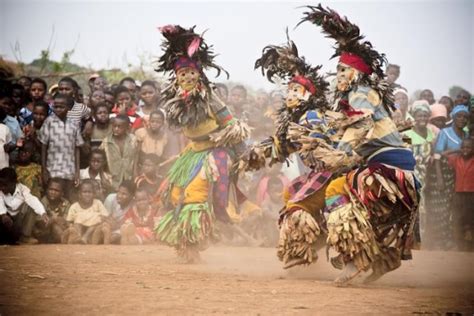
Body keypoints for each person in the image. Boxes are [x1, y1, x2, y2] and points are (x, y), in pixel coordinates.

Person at [302, 5, 420, 284]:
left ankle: (353, 259)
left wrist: (336, 155)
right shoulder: (355, 97)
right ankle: (383, 257)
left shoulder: (361, 93)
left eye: (344, 70)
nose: (339, 75)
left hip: (386, 166)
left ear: (356, 74)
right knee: (372, 214)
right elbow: (352, 130)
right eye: (337, 70)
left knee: (335, 191)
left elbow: (359, 127)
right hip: (393, 164)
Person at [154, 25, 249, 263]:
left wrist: (242, 156)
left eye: (191, 73)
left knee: (195, 195)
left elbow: (233, 127)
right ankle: (184, 245)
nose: (187, 78)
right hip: (192, 154)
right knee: (176, 194)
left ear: (199, 75)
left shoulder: (210, 98)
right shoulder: (176, 102)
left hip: (213, 154)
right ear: (176, 78)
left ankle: (195, 245)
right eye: (182, 75)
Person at [242, 34, 334, 268]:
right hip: (316, 173)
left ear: (309, 96)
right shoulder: (294, 121)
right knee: (289, 194)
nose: (291, 95)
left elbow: (321, 139)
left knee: (296, 208)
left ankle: (308, 248)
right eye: (290, 91)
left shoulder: (312, 116)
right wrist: (258, 152)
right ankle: (309, 246)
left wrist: (313, 140)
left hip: (329, 172)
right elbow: (279, 146)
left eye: (298, 91)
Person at [426, 105, 470, 249]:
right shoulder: (445, 132)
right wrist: (439, 177)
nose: (462, 119)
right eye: (459, 116)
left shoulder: (466, 135)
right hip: (444, 172)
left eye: (465, 117)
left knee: (454, 208)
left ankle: (452, 240)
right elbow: (437, 156)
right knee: (441, 207)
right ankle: (438, 241)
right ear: (453, 117)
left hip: (460, 173)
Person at [39, 93, 84, 199]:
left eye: (61, 107)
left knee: (68, 196)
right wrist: (44, 170)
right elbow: (43, 146)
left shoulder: (74, 123)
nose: (58, 109)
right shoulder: (49, 121)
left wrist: (77, 172)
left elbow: (77, 148)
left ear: (68, 108)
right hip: (52, 169)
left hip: (69, 169)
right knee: (52, 196)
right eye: (56, 106)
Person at [403, 102, 435, 247]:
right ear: (414, 116)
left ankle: (419, 240)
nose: (422, 118)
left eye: (425, 115)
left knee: (424, 208)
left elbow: (433, 154)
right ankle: (410, 240)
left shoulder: (431, 134)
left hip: (426, 176)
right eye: (419, 115)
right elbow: (403, 153)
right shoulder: (407, 134)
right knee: (412, 207)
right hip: (411, 175)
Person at [0, 167, 49, 244]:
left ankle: (25, 237)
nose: (2, 187)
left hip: (19, 223)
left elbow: (32, 200)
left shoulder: (23, 189)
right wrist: (3, 215)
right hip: (5, 222)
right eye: (0, 184)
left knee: (30, 205)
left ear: (14, 182)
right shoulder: (0, 191)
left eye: (5, 185)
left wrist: (43, 213)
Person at [446, 138, 474, 251]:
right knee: (458, 219)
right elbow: (444, 154)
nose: (465, 150)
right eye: (463, 147)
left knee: (470, 219)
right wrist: (458, 150)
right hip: (458, 194)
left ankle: (470, 246)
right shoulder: (456, 159)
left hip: (472, 195)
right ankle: (460, 246)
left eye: (468, 147)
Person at [63, 180, 109, 244]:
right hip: (79, 229)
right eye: (84, 192)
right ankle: (78, 238)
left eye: (89, 192)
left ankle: (85, 237)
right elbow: (69, 221)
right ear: (79, 194)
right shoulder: (74, 206)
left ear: (94, 194)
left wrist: (95, 218)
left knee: (98, 218)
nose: (87, 194)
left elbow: (104, 216)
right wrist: (71, 226)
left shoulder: (98, 203)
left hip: (92, 231)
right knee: (78, 218)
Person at [100, 114, 139, 190]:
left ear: (127, 128)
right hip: (112, 180)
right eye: (114, 126)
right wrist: (102, 177)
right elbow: (100, 160)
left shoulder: (133, 140)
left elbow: (136, 155)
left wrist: (135, 171)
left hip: (129, 178)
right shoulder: (106, 142)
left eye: (119, 127)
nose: (116, 129)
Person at [101, 180, 136, 244]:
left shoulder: (134, 205)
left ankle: (109, 240)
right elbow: (104, 217)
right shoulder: (110, 198)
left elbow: (127, 223)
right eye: (119, 192)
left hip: (120, 229)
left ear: (132, 196)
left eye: (124, 194)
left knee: (120, 234)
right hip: (107, 226)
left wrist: (117, 225)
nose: (119, 196)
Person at [40, 178, 70, 243]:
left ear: (62, 193)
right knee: (54, 226)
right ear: (47, 190)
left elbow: (66, 221)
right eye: (51, 189)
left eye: (56, 190)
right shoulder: (43, 202)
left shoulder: (66, 203)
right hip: (44, 232)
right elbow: (42, 224)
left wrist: (56, 219)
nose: (53, 192)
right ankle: (66, 241)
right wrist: (53, 219)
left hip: (62, 229)